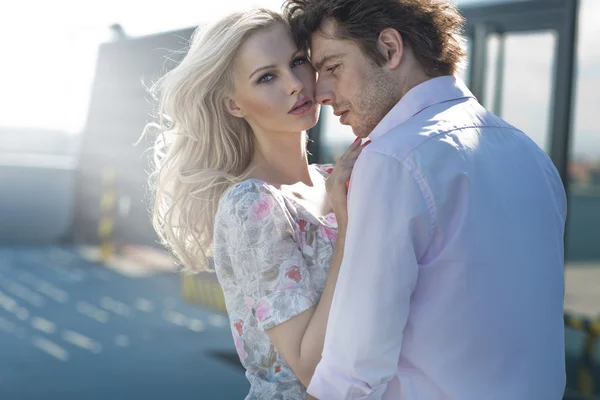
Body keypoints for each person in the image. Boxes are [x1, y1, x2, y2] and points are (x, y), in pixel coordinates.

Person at [284, 0, 568, 399]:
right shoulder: (531, 155)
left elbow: (353, 369)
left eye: (332, 68)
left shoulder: (393, 160)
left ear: (389, 49)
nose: (322, 93)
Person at [145, 8, 368, 399]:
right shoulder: (251, 204)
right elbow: (310, 367)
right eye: (267, 77)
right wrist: (348, 228)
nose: (296, 84)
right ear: (235, 104)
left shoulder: (336, 179)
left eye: (298, 62)